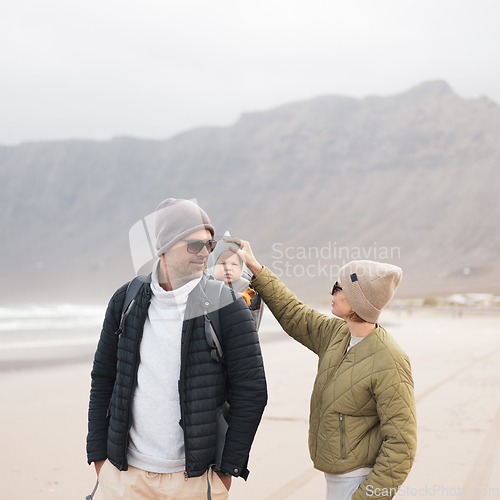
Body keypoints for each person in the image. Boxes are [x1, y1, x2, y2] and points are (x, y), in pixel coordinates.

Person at [86, 199, 267, 500]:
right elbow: (103, 378)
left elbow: (252, 391)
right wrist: (98, 457)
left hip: (194, 480)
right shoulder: (125, 300)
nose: (206, 253)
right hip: (124, 475)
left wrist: (227, 470)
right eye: (195, 245)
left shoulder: (229, 307)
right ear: (166, 246)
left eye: (209, 244)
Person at [224, 236, 417, 500]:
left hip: (358, 483)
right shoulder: (335, 334)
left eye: (338, 287)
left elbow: (402, 446)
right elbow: (294, 312)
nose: (331, 292)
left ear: (357, 299)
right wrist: (256, 268)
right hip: (335, 480)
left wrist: (366, 497)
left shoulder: (390, 359)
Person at [207, 232, 265, 331]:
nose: (228, 268)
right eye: (222, 263)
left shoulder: (248, 292)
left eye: (234, 264)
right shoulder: (205, 286)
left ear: (241, 268)